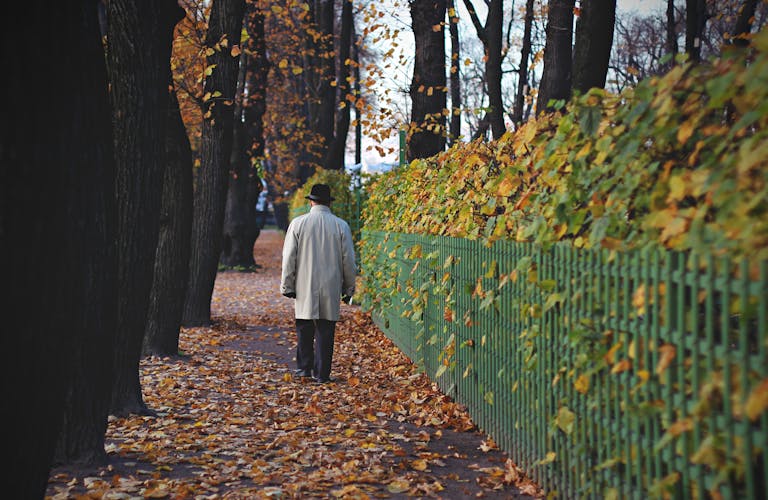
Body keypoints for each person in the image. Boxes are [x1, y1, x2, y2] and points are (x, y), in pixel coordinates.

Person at [280, 183, 357, 383]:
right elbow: (348, 260)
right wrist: (349, 288)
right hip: (330, 284)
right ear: (329, 203)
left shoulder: (298, 223)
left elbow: (289, 257)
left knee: (304, 325)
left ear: (311, 201)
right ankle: (322, 373)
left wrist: (287, 285)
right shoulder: (341, 225)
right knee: (326, 328)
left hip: (304, 283)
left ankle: (304, 368)